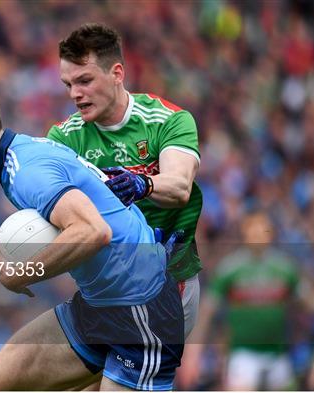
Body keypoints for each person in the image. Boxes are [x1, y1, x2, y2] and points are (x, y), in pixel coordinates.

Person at [0, 83, 184, 391]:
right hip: (96, 307)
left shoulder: (28, 171)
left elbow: (93, 231)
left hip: (141, 310)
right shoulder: (21, 157)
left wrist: (18, 275)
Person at [46, 23, 202, 339]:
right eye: (68, 84)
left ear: (117, 73)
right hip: (104, 287)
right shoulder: (63, 137)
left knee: (124, 386)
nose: (75, 94)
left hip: (168, 284)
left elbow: (180, 187)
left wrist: (142, 184)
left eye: (85, 81)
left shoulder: (168, 120)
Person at [186, 211, 300, 390]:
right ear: (244, 232)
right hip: (243, 354)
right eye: (253, 227)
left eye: (262, 227)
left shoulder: (285, 268)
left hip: (278, 355)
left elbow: (304, 302)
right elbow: (207, 311)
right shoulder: (230, 269)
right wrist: (193, 353)